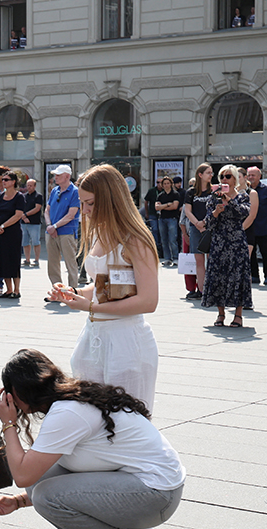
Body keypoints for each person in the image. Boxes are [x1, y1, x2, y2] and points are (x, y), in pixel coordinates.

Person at [0, 349, 185, 529]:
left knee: (47, 494)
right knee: (42, 478)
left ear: (18, 391)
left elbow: (22, 474)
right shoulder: (69, 402)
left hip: (157, 496)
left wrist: (8, 422)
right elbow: (33, 475)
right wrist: (19, 501)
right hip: (146, 488)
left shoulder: (67, 412)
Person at [47, 164, 160, 412]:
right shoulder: (99, 233)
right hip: (95, 337)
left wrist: (89, 306)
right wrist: (73, 293)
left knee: (126, 423)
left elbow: (148, 301)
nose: (84, 212)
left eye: (91, 204)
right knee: (90, 416)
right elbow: (102, 287)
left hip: (126, 342)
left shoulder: (136, 239)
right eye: (82, 203)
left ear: (111, 200)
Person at [201, 165, 255, 327]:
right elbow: (208, 222)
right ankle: (221, 314)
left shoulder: (243, 196)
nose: (224, 179)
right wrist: (217, 211)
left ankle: (238, 315)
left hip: (236, 242)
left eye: (228, 176)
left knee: (238, 276)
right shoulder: (214, 197)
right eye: (222, 176)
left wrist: (229, 201)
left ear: (235, 179)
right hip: (219, 242)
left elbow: (244, 212)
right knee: (218, 276)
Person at [45, 165, 82, 301]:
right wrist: (50, 226)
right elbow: (46, 210)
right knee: (53, 264)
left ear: (67, 176)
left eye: (58, 175)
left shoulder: (75, 192)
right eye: (55, 175)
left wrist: (54, 226)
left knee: (70, 263)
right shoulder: (55, 190)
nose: (55, 177)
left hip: (66, 232)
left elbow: (71, 215)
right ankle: (57, 292)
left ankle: (73, 293)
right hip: (52, 232)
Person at [182, 164, 215, 299]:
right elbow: (187, 211)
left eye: (212, 173)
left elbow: (216, 209)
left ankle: (212, 289)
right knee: (199, 260)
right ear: (200, 175)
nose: (211, 175)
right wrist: (197, 224)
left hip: (211, 227)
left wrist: (205, 223)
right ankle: (201, 290)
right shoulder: (191, 192)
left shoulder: (214, 191)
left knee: (212, 259)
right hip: (196, 228)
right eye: (208, 173)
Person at [0, 171, 26, 299]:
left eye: (6, 179)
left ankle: (16, 290)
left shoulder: (19, 197)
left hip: (13, 233)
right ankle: (8, 289)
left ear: (13, 182)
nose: (3, 182)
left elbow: (18, 215)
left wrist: (3, 226)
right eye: (2, 180)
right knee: (2, 260)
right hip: (0, 232)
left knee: (13, 259)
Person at [247, 167, 267, 285]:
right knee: (251, 253)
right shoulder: (246, 190)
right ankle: (254, 275)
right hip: (250, 226)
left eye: (253, 175)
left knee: (266, 252)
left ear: (259, 176)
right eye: (249, 175)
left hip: (264, 226)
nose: (251, 177)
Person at [152, 177, 181, 268]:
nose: (166, 185)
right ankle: (167, 258)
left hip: (172, 218)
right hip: (162, 219)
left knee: (172, 239)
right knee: (164, 240)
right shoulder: (160, 195)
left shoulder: (175, 194)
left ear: (171, 184)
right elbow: (157, 207)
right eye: (164, 184)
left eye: (168, 183)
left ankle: (175, 258)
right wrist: (168, 204)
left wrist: (163, 207)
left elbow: (175, 206)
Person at [22, 178, 44, 267]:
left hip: (34, 223)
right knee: (25, 242)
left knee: (35, 241)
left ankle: (36, 259)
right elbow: (19, 208)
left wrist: (26, 215)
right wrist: (23, 217)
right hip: (23, 223)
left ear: (35, 186)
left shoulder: (38, 196)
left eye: (31, 185)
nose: (29, 187)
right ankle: (27, 259)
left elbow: (37, 208)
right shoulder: (23, 196)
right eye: (28, 185)